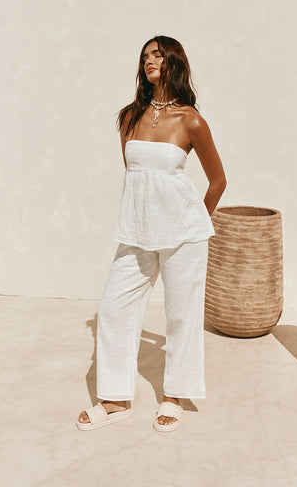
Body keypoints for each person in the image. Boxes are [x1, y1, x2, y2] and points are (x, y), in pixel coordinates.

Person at [76, 35, 227, 432]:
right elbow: (136, 176)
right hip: (137, 229)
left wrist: (193, 222)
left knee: (181, 315)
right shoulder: (129, 117)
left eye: (158, 55)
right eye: (145, 56)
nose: (150, 61)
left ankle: (174, 396)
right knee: (114, 309)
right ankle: (115, 400)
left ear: (174, 61)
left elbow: (218, 181)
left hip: (184, 233)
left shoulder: (191, 120)